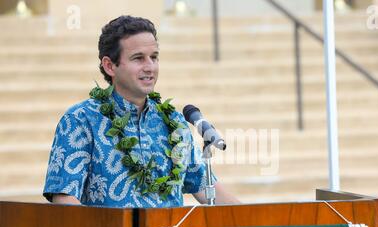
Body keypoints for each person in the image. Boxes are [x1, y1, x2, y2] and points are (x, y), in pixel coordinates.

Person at [43, 15, 239, 207]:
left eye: (154, 57)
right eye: (138, 58)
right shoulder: (80, 120)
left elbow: (207, 188)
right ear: (109, 66)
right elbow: (65, 201)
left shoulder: (174, 122)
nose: (150, 67)